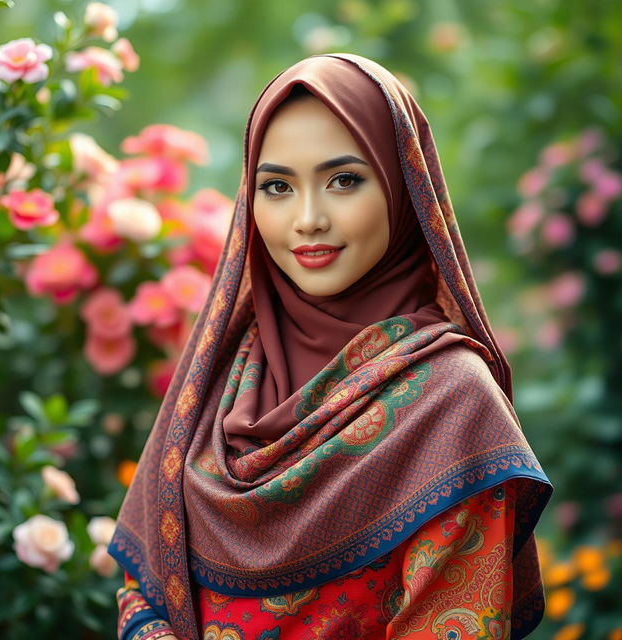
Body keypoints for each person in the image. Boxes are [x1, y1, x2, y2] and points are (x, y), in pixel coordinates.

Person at [108, 53, 553, 640]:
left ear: (402, 186)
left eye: (344, 180)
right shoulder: (225, 368)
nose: (308, 219)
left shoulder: (454, 404)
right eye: (277, 187)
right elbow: (145, 587)